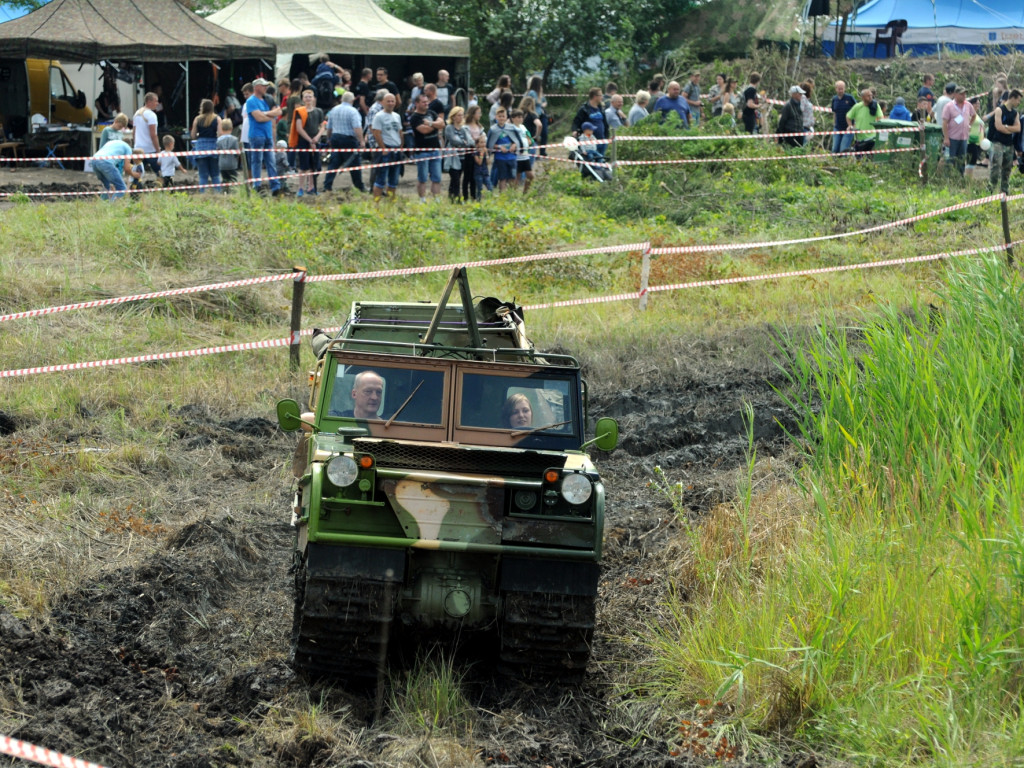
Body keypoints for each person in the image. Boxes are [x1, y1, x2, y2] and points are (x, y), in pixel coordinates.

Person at [245, 77, 283, 195]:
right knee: (256, 161)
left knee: (270, 161)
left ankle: (275, 186)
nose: (266, 87)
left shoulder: (268, 98)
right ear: (256, 87)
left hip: (267, 135)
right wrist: (271, 115)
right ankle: (257, 185)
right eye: (263, 85)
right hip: (256, 135)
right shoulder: (251, 101)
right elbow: (259, 118)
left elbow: (279, 111)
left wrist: (265, 114)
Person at [324, 91, 366, 194]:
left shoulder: (334, 110)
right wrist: (361, 140)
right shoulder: (353, 111)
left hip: (335, 137)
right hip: (348, 139)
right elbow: (357, 127)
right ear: (352, 100)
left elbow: (329, 127)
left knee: (333, 163)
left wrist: (329, 139)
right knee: (354, 163)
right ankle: (359, 186)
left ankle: (327, 185)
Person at [290, 86, 326, 196]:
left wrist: (317, 138)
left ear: (313, 98)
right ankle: (300, 188)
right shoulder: (300, 112)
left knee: (314, 166)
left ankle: (311, 187)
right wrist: (310, 140)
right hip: (304, 141)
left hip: (315, 140)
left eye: (310, 96)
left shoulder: (319, 111)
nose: (308, 99)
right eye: (306, 97)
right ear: (303, 99)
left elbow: (322, 126)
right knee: (303, 166)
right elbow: (299, 128)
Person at [410, 93, 444, 201]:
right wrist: (435, 125)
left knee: (437, 178)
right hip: (422, 151)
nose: (426, 104)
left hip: (435, 149)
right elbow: (424, 131)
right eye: (423, 102)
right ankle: (422, 200)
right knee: (423, 178)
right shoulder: (414, 117)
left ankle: (436, 200)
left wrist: (430, 123)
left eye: (427, 102)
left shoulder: (431, 112)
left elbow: (442, 123)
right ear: (417, 103)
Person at [371, 92, 404, 201]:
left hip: (396, 149)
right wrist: (383, 148)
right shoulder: (379, 116)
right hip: (385, 150)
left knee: (394, 180)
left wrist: (401, 147)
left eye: (392, 101)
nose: (390, 103)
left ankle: (391, 204)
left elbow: (400, 132)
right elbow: (376, 132)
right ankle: (376, 204)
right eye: (388, 101)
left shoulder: (397, 116)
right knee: (381, 179)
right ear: (382, 102)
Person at [989, 89, 1021, 194]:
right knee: (996, 166)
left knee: (1007, 169)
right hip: (998, 142)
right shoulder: (999, 110)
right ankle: (990, 189)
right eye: (1018, 100)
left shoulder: (1015, 113)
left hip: (1009, 144)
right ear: (1013, 98)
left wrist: (1006, 127)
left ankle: (1004, 191)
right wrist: (1009, 128)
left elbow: (1018, 128)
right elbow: (998, 127)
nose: (1019, 103)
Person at [942, 86, 975, 175]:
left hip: (963, 138)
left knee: (961, 160)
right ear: (955, 94)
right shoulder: (949, 106)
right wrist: (946, 138)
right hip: (952, 137)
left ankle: (960, 178)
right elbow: (944, 122)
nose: (964, 96)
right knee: (950, 160)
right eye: (961, 94)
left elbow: (974, 115)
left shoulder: (968, 105)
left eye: (965, 94)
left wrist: (969, 125)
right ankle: (948, 179)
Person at [189, 98, 221, 192]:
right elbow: (220, 134)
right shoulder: (217, 118)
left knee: (203, 175)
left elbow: (193, 135)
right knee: (215, 175)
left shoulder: (197, 119)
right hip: (213, 147)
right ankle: (217, 193)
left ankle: (202, 193)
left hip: (201, 148)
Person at [443, 105, 473, 201]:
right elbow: (453, 140)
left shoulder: (464, 129)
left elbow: (470, 142)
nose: (461, 117)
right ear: (453, 116)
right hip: (452, 157)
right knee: (455, 179)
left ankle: (451, 197)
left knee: (457, 178)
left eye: (462, 115)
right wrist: (463, 142)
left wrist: (463, 143)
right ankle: (456, 198)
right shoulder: (449, 128)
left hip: (462, 157)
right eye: (459, 115)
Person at [487, 107, 519, 193]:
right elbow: (489, 144)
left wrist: (514, 145)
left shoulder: (511, 128)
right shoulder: (493, 129)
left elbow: (517, 140)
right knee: (502, 178)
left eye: (503, 116)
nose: (501, 118)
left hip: (511, 157)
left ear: (506, 117)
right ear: (496, 117)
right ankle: (503, 196)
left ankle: (512, 195)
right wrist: (499, 147)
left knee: (513, 176)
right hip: (500, 158)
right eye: (499, 116)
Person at [91, 136, 134, 200]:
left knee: (107, 186)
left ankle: (103, 205)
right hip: (106, 162)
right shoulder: (128, 148)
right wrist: (134, 174)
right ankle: (112, 207)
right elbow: (127, 168)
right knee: (121, 188)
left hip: (94, 160)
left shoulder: (112, 142)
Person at [846, 88, 883, 153]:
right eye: (868, 96)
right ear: (863, 97)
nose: (870, 97)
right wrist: (850, 125)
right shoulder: (857, 106)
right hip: (859, 137)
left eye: (871, 95)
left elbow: (881, 118)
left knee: (868, 155)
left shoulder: (876, 106)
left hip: (872, 137)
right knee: (859, 156)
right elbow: (848, 116)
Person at [132, 91, 160, 174]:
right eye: (156, 101)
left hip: (138, 148)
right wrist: (158, 149)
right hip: (150, 149)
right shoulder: (151, 115)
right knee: (160, 172)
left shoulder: (136, 113)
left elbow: (134, 132)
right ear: (149, 101)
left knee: (137, 173)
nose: (157, 103)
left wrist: (135, 145)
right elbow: (153, 134)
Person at [509, 108, 534, 193]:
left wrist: (529, 141)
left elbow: (528, 137)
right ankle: (513, 194)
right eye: (518, 117)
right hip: (517, 157)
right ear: (513, 118)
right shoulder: (511, 128)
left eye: (521, 117)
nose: (520, 119)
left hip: (525, 156)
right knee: (517, 177)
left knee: (530, 175)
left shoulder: (523, 127)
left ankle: (525, 193)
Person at [525, 75, 548, 155]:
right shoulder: (531, 92)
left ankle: (542, 152)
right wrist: (540, 101)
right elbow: (536, 102)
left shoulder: (540, 92)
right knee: (532, 133)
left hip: (541, 114)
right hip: (534, 115)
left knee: (544, 133)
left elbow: (544, 102)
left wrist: (542, 103)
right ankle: (532, 151)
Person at [831, 81, 856, 153]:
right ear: (836, 89)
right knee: (835, 149)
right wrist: (834, 123)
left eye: (842, 89)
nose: (840, 91)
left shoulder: (850, 98)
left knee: (843, 149)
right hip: (837, 127)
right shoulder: (834, 99)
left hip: (848, 128)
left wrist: (854, 125)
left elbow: (857, 110)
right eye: (839, 89)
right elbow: (834, 112)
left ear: (844, 89)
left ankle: (843, 163)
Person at [217, 118, 241, 192]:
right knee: (233, 179)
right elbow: (237, 152)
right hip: (232, 164)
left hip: (222, 164)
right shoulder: (234, 139)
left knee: (225, 179)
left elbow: (217, 151)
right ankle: (234, 192)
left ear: (222, 128)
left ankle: (224, 192)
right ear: (231, 128)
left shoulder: (219, 140)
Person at [472, 133, 490, 200]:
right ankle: (478, 201)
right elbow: (479, 162)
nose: (483, 144)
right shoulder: (475, 152)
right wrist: (482, 154)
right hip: (478, 173)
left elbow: (488, 162)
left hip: (485, 172)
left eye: (484, 142)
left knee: (490, 187)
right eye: (481, 142)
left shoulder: (485, 151)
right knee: (480, 189)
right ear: (477, 144)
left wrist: (487, 153)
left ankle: (489, 200)